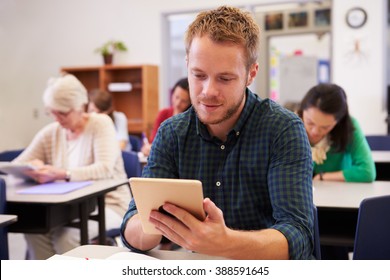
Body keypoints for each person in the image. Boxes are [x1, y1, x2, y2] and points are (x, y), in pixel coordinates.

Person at [121, 6, 314, 260]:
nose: (208, 91)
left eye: (225, 79)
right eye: (198, 75)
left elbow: (299, 237)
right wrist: (153, 225)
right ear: (187, 64)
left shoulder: (282, 130)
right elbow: (131, 228)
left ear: (251, 74)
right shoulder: (172, 133)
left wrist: (225, 242)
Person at [13, 74, 130, 259]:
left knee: (67, 237)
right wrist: (31, 168)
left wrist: (60, 173)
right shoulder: (52, 132)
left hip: (109, 204)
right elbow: (15, 165)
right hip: (67, 209)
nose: (57, 119)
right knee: (36, 231)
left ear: (80, 107)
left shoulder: (100, 124)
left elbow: (104, 168)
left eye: (63, 113)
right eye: (52, 112)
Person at [297, 83, 376, 183]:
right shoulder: (290, 125)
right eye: (310, 122)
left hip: (339, 194)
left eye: (325, 127)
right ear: (302, 111)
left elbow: (367, 172)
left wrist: (323, 177)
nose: (315, 131)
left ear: (338, 122)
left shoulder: (348, 127)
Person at [141, 77, 191, 156]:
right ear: (172, 94)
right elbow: (153, 141)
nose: (178, 103)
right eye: (176, 97)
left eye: (184, 101)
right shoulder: (164, 113)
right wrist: (147, 148)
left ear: (190, 103)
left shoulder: (191, 119)